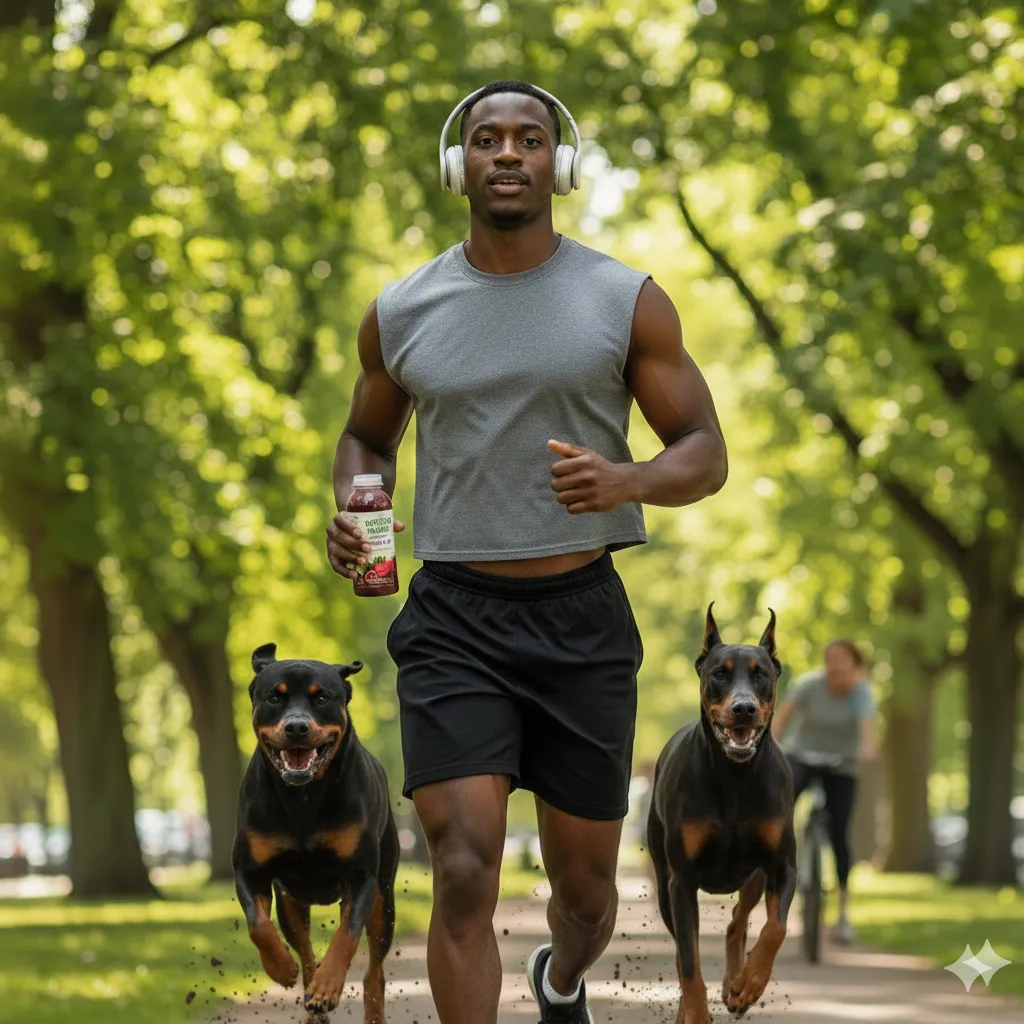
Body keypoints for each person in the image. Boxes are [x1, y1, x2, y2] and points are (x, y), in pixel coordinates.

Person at [325, 80, 727, 1024]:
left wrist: (628, 481)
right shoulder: (402, 309)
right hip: (454, 620)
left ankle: (561, 977)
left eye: (531, 139)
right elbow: (366, 439)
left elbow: (704, 450)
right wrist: (357, 503)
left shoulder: (624, 299)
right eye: (488, 139)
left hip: (582, 617)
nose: (508, 153)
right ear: (457, 164)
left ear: (562, 162)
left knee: (587, 893)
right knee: (461, 866)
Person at [771, 638, 878, 944]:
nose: (835, 666)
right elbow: (782, 718)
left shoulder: (861, 695)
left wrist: (867, 749)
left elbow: (867, 729)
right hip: (801, 756)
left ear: (855, 666)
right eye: (830, 659)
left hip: (842, 765)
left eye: (842, 660)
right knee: (779, 812)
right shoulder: (809, 685)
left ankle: (843, 914)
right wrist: (772, 740)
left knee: (839, 833)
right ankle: (776, 874)